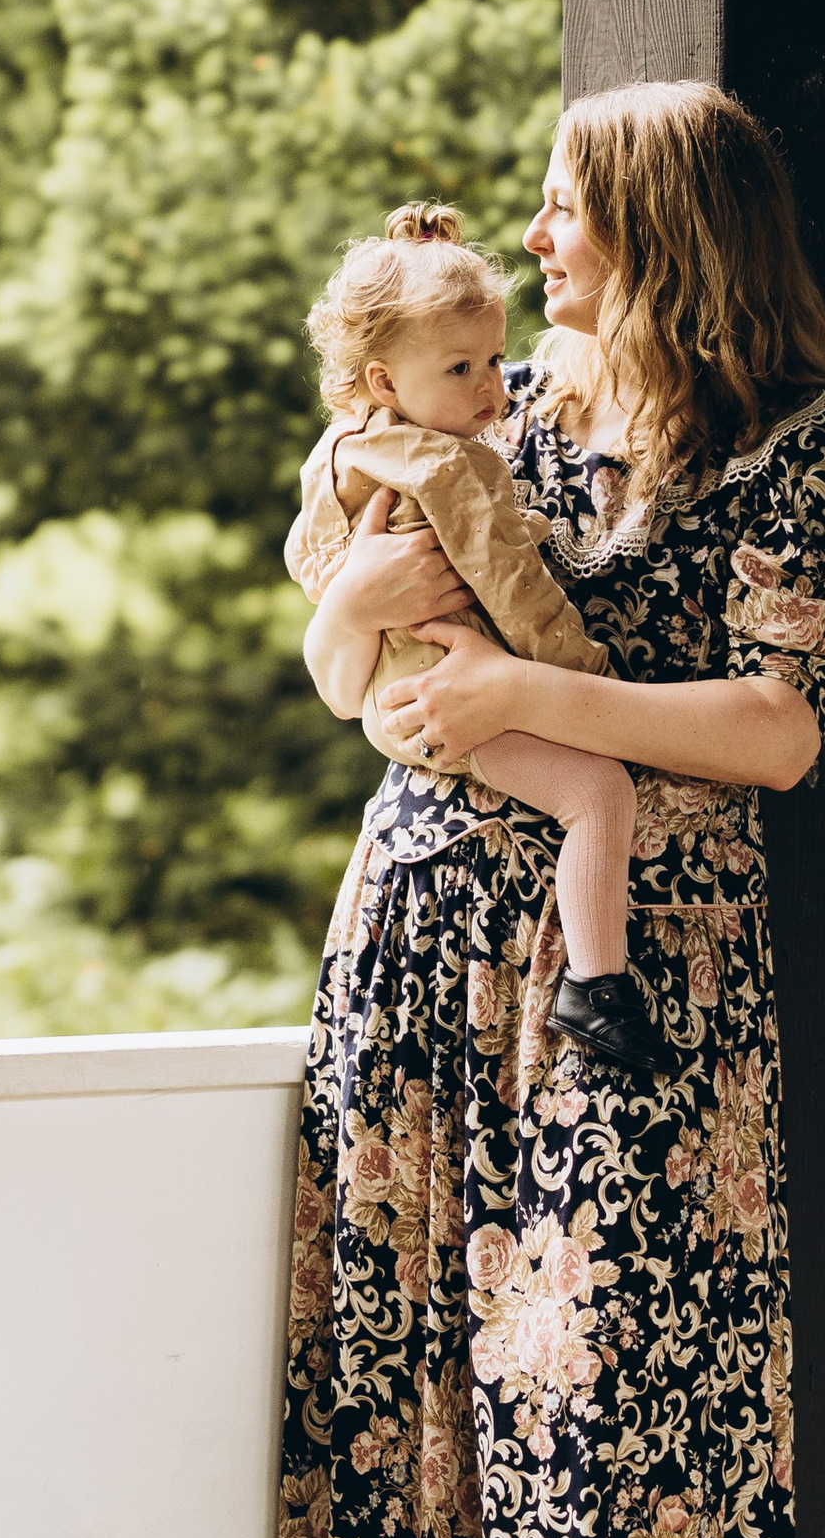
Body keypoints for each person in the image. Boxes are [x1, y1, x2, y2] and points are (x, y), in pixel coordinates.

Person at [273, 80, 825, 1538]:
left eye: (569, 206)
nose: (539, 237)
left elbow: (777, 733)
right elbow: (351, 658)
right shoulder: (502, 401)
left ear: (664, 227)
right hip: (433, 931)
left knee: (635, 1367)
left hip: (646, 965)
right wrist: (349, 626)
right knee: (463, 1364)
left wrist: (534, 691)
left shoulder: (804, 447)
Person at [287, 202, 671, 1083]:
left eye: (495, 359)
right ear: (384, 379)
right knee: (599, 792)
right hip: (448, 703)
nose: (492, 388)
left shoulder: (343, 447)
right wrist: (580, 674)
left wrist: (350, 591)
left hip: (403, 699)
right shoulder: (450, 463)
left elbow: (307, 553)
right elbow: (510, 587)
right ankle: (597, 987)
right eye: (462, 368)